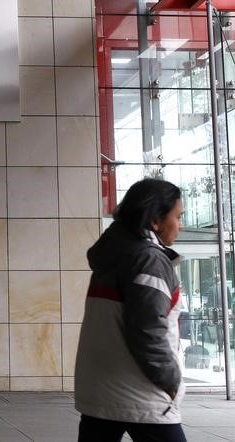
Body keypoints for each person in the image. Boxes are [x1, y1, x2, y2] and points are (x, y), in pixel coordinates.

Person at [74, 178, 186, 442]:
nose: (180, 225)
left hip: (98, 389)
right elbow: (148, 329)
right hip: (141, 394)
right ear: (155, 220)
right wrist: (171, 381)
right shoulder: (148, 259)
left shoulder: (113, 253)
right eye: (178, 217)